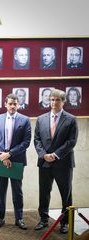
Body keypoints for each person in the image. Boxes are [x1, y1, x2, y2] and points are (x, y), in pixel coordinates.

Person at [33, 89, 78, 234]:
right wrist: (43, 154)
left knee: (66, 194)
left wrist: (56, 154)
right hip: (45, 162)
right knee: (44, 193)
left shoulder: (71, 119)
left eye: (57, 100)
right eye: (52, 99)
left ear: (63, 102)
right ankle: (43, 219)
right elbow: (37, 140)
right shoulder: (41, 119)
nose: (54, 102)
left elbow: (71, 141)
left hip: (63, 163)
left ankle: (65, 223)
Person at [0, 93, 31, 230]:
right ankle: (0, 218)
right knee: (1, 191)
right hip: (0, 159)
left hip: (16, 160)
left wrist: (10, 154)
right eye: (10, 103)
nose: (12, 106)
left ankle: (19, 219)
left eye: (15, 104)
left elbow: (26, 142)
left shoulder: (25, 120)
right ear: (5, 104)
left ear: (18, 105)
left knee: (17, 191)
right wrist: (3, 155)